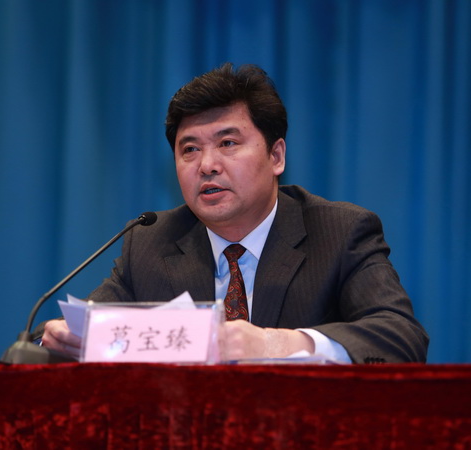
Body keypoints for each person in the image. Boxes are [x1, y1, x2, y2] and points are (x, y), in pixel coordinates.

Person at [41, 63, 429, 363]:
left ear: (276, 156)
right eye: (189, 149)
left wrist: (279, 343)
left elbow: (401, 337)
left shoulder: (339, 232)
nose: (207, 165)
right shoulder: (150, 241)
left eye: (227, 143)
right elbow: (73, 330)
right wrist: (61, 338)